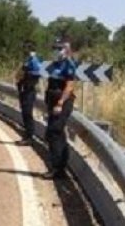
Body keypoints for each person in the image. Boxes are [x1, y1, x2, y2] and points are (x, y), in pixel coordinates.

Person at [42, 39, 78, 180]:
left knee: (54, 132)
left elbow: (69, 86)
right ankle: (61, 167)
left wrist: (60, 103)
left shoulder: (68, 64)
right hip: (52, 101)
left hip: (62, 102)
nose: (56, 51)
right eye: (54, 48)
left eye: (59, 48)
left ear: (66, 50)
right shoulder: (54, 64)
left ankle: (57, 168)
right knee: (56, 133)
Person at [14, 41, 43, 144]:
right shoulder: (28, 60)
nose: (23, 51)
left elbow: (36, 74)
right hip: (24, 89)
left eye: (25, 49)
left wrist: (24, 76)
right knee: (25, 113)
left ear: (29, 49)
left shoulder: (34, 61)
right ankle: (27, 135)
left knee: (27, 113)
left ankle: (29, 137)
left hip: (29, 90)